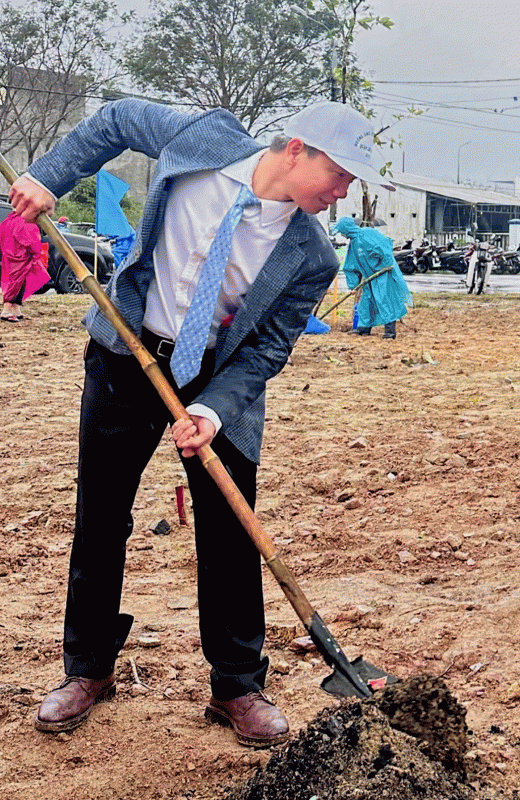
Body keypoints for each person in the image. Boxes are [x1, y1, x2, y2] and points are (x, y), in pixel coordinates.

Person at [8, 97, 393, 747]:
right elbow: (115, 120)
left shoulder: (311, 256)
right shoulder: (201, 139)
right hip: (127, 354)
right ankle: (87, 670)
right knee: (101, 515)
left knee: (229, 530)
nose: (342, 192)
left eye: (351, 183)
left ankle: (237, 686)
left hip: (218, 383)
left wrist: (213, 409)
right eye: (339, 175)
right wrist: (49, 176)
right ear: (296, 149)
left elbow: (268, 349)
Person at [334, 216, 409, 339]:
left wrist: (386, 263)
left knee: (384, 300)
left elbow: (384, 246)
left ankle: (390, 331)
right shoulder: (353, 244)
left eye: (342, 230)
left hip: (382, 274)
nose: (342, 234)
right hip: (370, 277)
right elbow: (350, 266)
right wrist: (353, 285)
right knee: (366, 302)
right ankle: (363, 328)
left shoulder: (368, 234)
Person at [1, 210, 50, 321]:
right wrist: (37, 254)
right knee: (17, 283)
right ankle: (7, 310)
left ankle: (15, 309)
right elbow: (34, 242)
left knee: (14, 282)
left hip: (8, 256)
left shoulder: (8, 220)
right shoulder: (28, 223)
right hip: (22, 257)